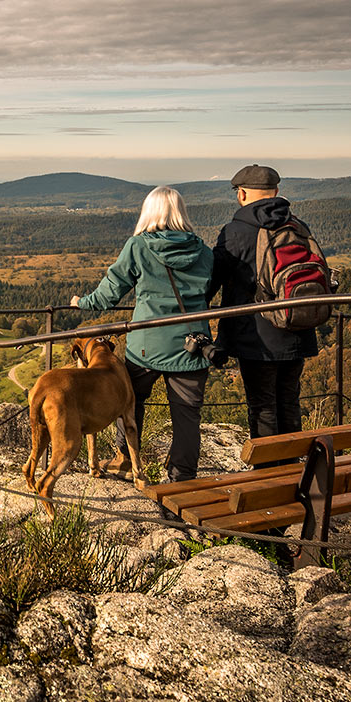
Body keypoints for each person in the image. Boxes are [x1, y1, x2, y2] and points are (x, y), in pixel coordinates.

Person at [68, 186, 216, 482]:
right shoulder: (203, 251)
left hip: (147, 346)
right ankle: (182, 476)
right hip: (193, 346)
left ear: (148, 212)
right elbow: (207, 292)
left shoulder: (138, 246)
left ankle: (124, 457)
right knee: (187, 416)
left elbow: (110, 293)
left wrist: (81, 303)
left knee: (128, 401)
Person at [212, 164, 320, 446]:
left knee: (263, 407)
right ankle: (295, 472)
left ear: (242, 194)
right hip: (298, 326)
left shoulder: (235, 232)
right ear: (276, 192)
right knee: (289, 402)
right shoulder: (297, 226)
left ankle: (269, 478)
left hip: (256, 337)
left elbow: (211, 280)